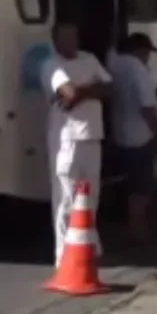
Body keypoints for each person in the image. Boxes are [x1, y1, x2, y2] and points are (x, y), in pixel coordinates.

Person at [39, 22, 112, 265]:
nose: (71, 42)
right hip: (67, 141)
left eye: (74, 37)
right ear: (56, 41)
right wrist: (89, 89)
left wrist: (80, 92)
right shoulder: (51, 65)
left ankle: (89, 246)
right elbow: (68, 92)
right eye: (66, 38)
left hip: (93, 135)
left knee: (92, 196)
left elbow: (109, 88)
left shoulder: (89, 58)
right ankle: (63, 254)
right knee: (66, 199)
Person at [106, 32, 157, 247]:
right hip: (140, 137)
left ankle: (129, 227)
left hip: (119, 134)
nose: (148, 57)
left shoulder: (113, 63)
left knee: (125, 184)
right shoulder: (139, 71)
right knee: (141, 188)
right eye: (147, 52)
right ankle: (138, 232)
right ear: (140, 51)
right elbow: (148, 107)